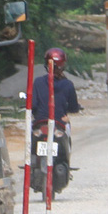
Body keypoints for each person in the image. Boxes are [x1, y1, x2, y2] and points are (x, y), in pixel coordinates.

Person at [28, 48, 81, 188]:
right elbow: (74, 107)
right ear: (63, 65)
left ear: (46, 64)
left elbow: (32, 105)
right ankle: (66, 166)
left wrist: (37, 114)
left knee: (30, 143)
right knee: (67, 143)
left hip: (40, 123)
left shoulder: (38, 82)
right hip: (59, 124)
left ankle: (31, 165)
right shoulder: (68, 84)